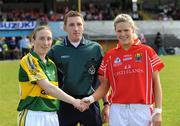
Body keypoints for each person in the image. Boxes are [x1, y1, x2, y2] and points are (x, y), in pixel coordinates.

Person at [82, 14, 165, 126]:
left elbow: (156, 84)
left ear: (133, 29)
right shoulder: (110, 56)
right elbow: (104, 87)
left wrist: (158, 111)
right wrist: (90, 99)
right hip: (117, 110)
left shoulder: (147, 52)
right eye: (119, 31)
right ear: (115, 31)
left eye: (126, 30)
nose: (123, 34)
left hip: (142, 110)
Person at [17, 25, 87, 126]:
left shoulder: (51, 64)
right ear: (33, 41)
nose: (45, 43)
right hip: (32, 115)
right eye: (41, 38)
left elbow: (54, 92)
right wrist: (74, 101)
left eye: (49, 39)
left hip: (52, 115)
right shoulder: (28, 60)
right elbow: (49, 88)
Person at [48, 10, 105, 126]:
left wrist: (107, 103)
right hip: (65, 102)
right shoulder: (55, 50)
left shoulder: (96, 48)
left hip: (90, 102)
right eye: (71, 24)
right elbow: (49, 82)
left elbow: (103, 80)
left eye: (79, 24)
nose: (76, 28)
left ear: (83, 26)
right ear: (64, 27)